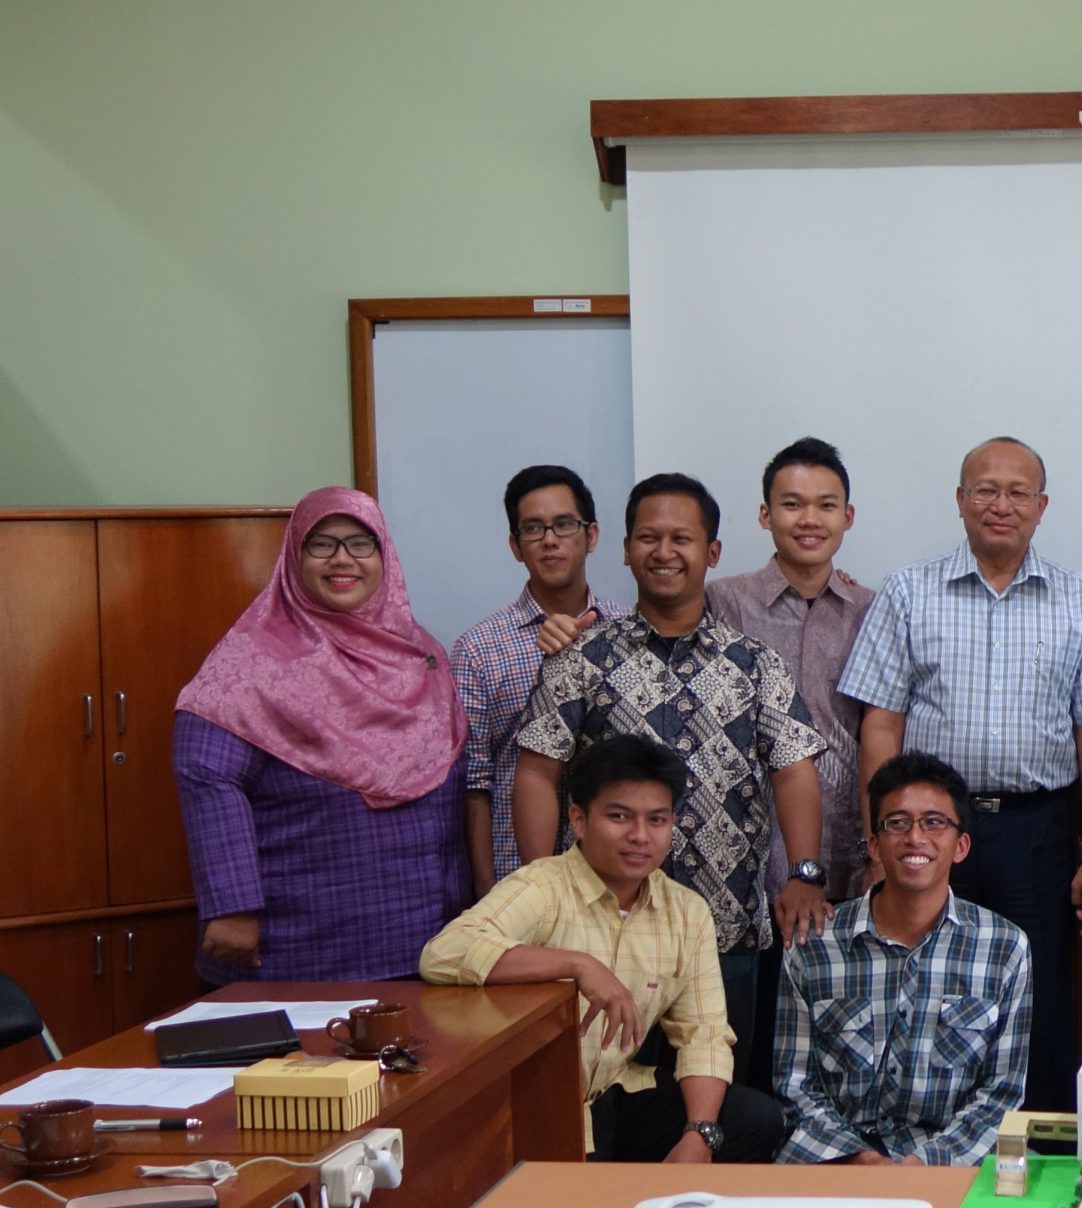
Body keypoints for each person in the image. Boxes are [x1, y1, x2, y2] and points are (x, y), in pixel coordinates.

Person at [838, 437, 1082, 1111]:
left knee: (1042, 998)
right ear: (961, 500)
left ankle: (1042, 1154)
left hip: (1037, 830)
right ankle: (933, 1147)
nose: (1001, 504)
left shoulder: (1079, 601)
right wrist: (881, 840)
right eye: (986, 489)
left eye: (1017, 492)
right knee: (925, 988)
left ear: (1042, 506)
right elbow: (879, 725)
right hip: (930, 829)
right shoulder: (910, 593)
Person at [513, 473, 831, 1088]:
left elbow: (794, 770)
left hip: (726, 928)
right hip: (600, 934)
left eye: (681, 538)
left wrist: (805, 872)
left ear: (711, 552)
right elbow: (537, 769)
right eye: (649, 538)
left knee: (724, 1102)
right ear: (626, 548)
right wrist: (540, 887)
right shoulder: (584, 658)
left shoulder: (754, 664)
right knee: (597, 1100)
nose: (665, 553)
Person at [420, 734, 784, 1163]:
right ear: (578, 819)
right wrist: (577, 965)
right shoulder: (543, 885)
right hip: (535, 1105)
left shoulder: (686, 911)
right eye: (619, 817)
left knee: (755, 1118)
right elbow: (443, 953)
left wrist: (698, 1134)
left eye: (657, 820)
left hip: (616, 1093)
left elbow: (702, 1034)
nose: (639, 836)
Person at [175, 487, 468, 986]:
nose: (342, 559)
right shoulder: (252, 660)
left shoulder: (424, 656)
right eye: (321, 544)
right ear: (294, 556)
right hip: (298, 947)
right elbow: (203, 769)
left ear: (384, 556)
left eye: (360, 543)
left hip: (427, 940)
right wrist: (233, 907)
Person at [775, 753, 1032, 1165]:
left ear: (960, 845)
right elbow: (794, 1086)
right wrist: (863, 1161)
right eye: (897, 823)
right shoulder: (815, 944)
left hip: (953, 1161)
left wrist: (922, 1165)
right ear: (875, 845)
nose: (915, 837)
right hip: (841, 1162)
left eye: (934, 822)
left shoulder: (1004, 947)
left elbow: (1001, 1095)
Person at [706, 437, 878, 907]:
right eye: (791, 504)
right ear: (766, 515)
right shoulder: (721, 602)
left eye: (825, 505)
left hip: (844, 850)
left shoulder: (872, 610)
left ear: (847, 517)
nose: (808, 519)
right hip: (741, 849)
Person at [451, 465, 614, 897]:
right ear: (515, 546)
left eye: (564, 524)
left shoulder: (626, 631)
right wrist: (488, 893)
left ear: (591, 536)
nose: (550, 539)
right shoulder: (478, 649)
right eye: (533, 529)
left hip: (618, 880)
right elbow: (474, 783)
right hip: (517, 878)